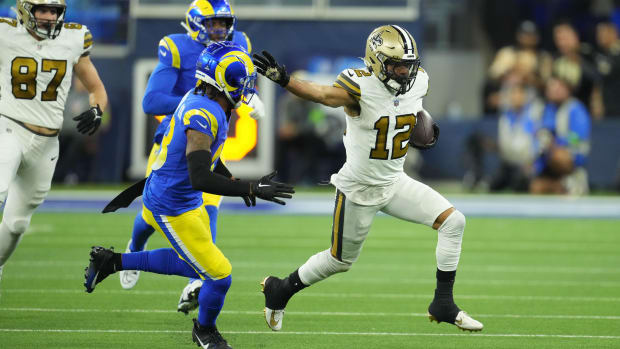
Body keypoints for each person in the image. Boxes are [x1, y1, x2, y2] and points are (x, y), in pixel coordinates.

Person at [252, 25, 483, 332]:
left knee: (454, 222)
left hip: (394, 181)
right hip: (358, 189)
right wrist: (284, 79)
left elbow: (408, 109)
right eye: (395, 65)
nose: (403, 72)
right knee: (339, 261)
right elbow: (321, 94)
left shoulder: (419, 81)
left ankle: (443, 303)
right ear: (375, 62)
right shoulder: (359, 86)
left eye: (408, 65)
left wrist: (417, 125)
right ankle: (280, 289)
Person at [83, 42, 294, 349]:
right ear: (220, 79)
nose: (245, 87)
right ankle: (204, 332)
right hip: (172, 202)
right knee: (220, 276)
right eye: (239, 79)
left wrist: (231, 179)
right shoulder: (203, 112)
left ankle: (112, 262)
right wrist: (249, 188)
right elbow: (199, 176)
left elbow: (207, 156)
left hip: (177, 195)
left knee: (192, 264)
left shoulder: (201, 97)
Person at [120, 0, 265, 311]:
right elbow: (152, 101)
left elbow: (239, 79)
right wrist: (196, 105)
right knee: (149, 215)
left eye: (224, 23)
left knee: (208, 206)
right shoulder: (176, 47)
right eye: (213, 23)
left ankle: (197, 279)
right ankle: (134, 248)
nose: (220, 30)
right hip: (175, 139)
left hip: (211, 139)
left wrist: (247, 95)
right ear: (195, 23)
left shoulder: (239, 43)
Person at [0, 0, 108, 278]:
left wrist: (97, 110)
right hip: (9, 128)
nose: (49, 17)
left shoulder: (73, 39)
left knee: (17, 225)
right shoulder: (5, 33)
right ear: (25, 10)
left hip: (47, 142)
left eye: (54, 11)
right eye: (42, 10)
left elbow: (97, 88)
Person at [530, 75, 591, 195]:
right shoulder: (544, 109)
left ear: (568, 89)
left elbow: (577, 138)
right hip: (547, 157)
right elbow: (536, 132)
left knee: (559, 157)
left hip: (570, 155)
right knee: (536, 188)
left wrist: (559, 141)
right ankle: (561, 185)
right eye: (552, 86)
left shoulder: (576, 109)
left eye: (559, 87)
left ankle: (576, 179)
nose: (555, 90)